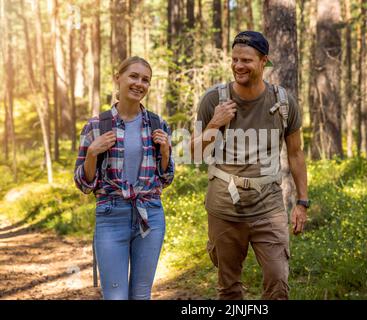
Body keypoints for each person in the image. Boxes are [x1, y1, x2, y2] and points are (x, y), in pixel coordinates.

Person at [191, 31, 309, 300]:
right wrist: (214, 124)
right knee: (229, 287)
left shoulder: (283, 102)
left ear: (263, 61)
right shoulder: (214, 100)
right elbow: (195, 152)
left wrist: (302, 202)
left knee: (278, 281)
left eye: (246, 60)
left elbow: (296, 153)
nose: (238, 66)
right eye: (234, 59)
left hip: (268, 204)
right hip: (224, 204)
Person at [74, 56, 174, 300]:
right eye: (133, 76)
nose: (139, 83)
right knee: (115, 296)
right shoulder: (97, 125)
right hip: (111, 215)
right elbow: (83, 183)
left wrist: (165, 152)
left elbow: (166, 177)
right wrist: (91, 154)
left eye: (145, 79)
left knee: (141, 295)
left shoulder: (157, 123)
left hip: (150, 215)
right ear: (117, 78)